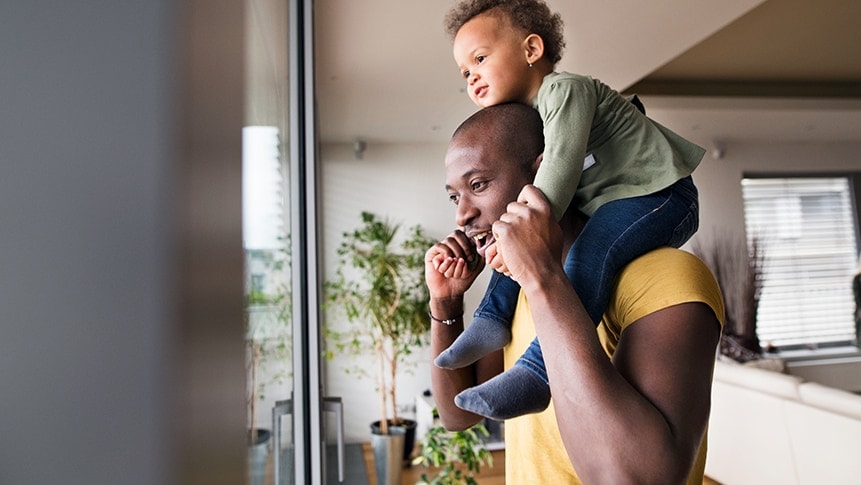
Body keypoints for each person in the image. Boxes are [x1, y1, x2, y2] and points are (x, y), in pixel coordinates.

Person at [433, 0, 708, 420]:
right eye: (465, 73)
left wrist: (516, 240)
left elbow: (558, 171)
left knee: (576, 248)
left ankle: (538, 373)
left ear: (531, 49)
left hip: (662, 197)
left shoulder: (564, 90)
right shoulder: (535, 118)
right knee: (519, 239)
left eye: (480, 59)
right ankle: (491, 318)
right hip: (618, 202)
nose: (472, 78)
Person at [425, 103, 724, 483]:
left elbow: (638, 480)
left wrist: (543, 278)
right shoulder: (519, 288)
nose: (461, 215)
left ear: (545, 171)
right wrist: (446, 303)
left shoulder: (667, 278)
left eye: (478, 185)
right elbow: (460, 415)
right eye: (455, 196)